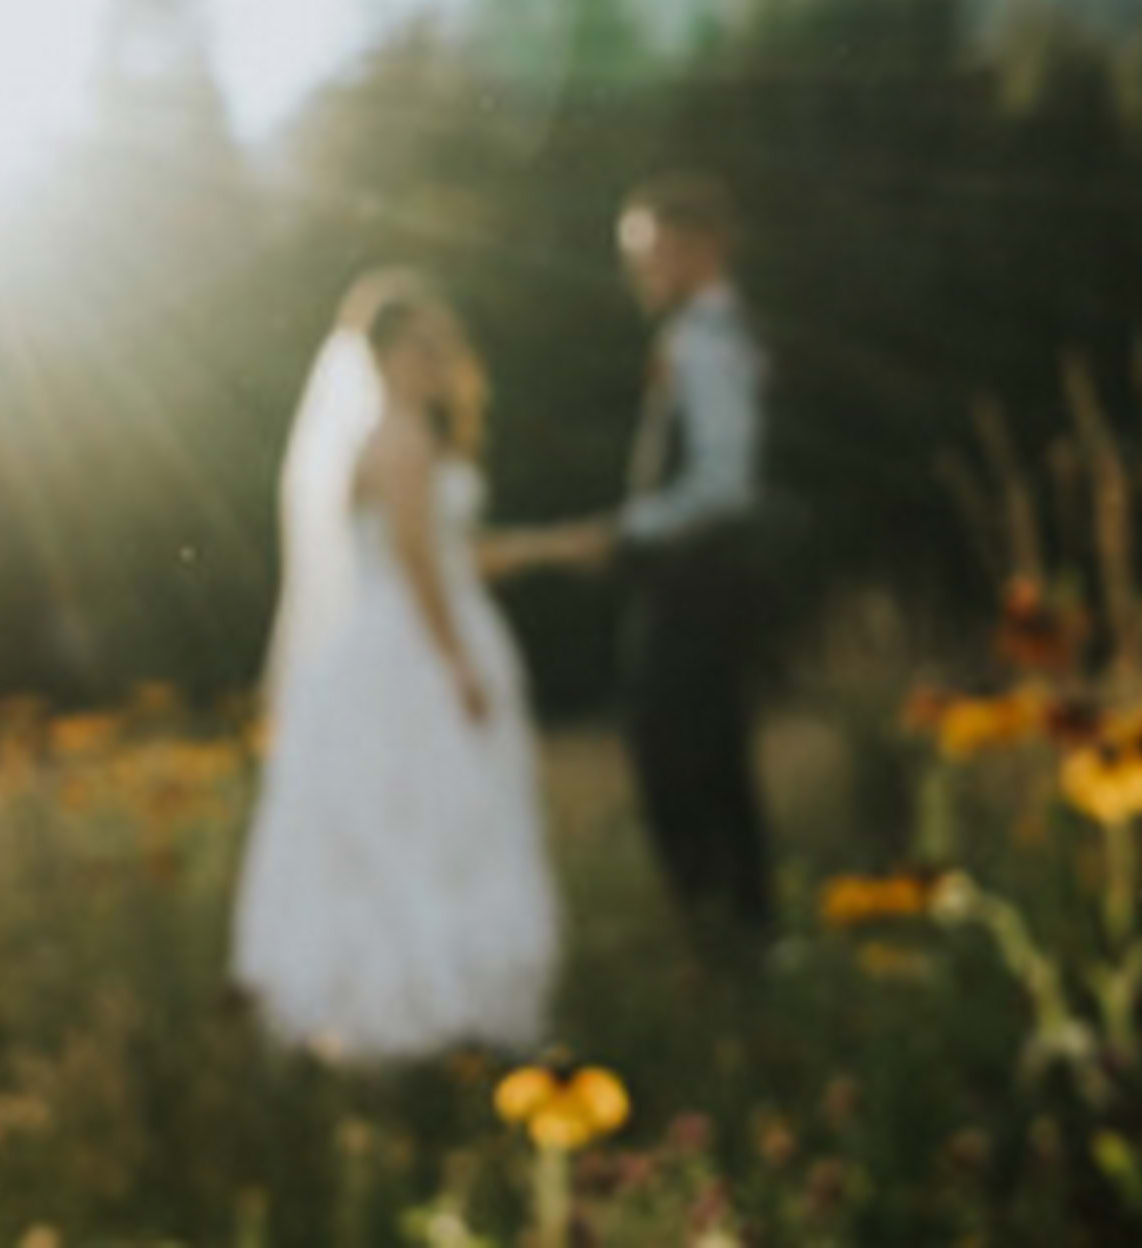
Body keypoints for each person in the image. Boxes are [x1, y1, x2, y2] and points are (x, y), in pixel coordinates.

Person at [230, 269, 560, 1060]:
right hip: (414, 647)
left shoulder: (397, 438)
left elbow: (444, 555)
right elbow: (419, 563)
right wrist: (457, 666)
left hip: (403, 638)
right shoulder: (402, 440)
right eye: (420, 346)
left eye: (441, 344)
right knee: (429, 820)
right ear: (377, 358)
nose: (437, 359)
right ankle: (433, 1009)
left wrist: (552, 546)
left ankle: (428, 1008)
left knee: (427, 821)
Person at [513, 174, 775, 939]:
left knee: (675, 756)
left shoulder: (706, 342)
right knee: (712, 755)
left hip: (696, 582)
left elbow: (723, 484)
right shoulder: (707, 334)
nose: (638, 272)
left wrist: (625, 532)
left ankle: (722, 932)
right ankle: (741, 931)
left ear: (700, 247)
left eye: (648, 252)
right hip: (696, 577)